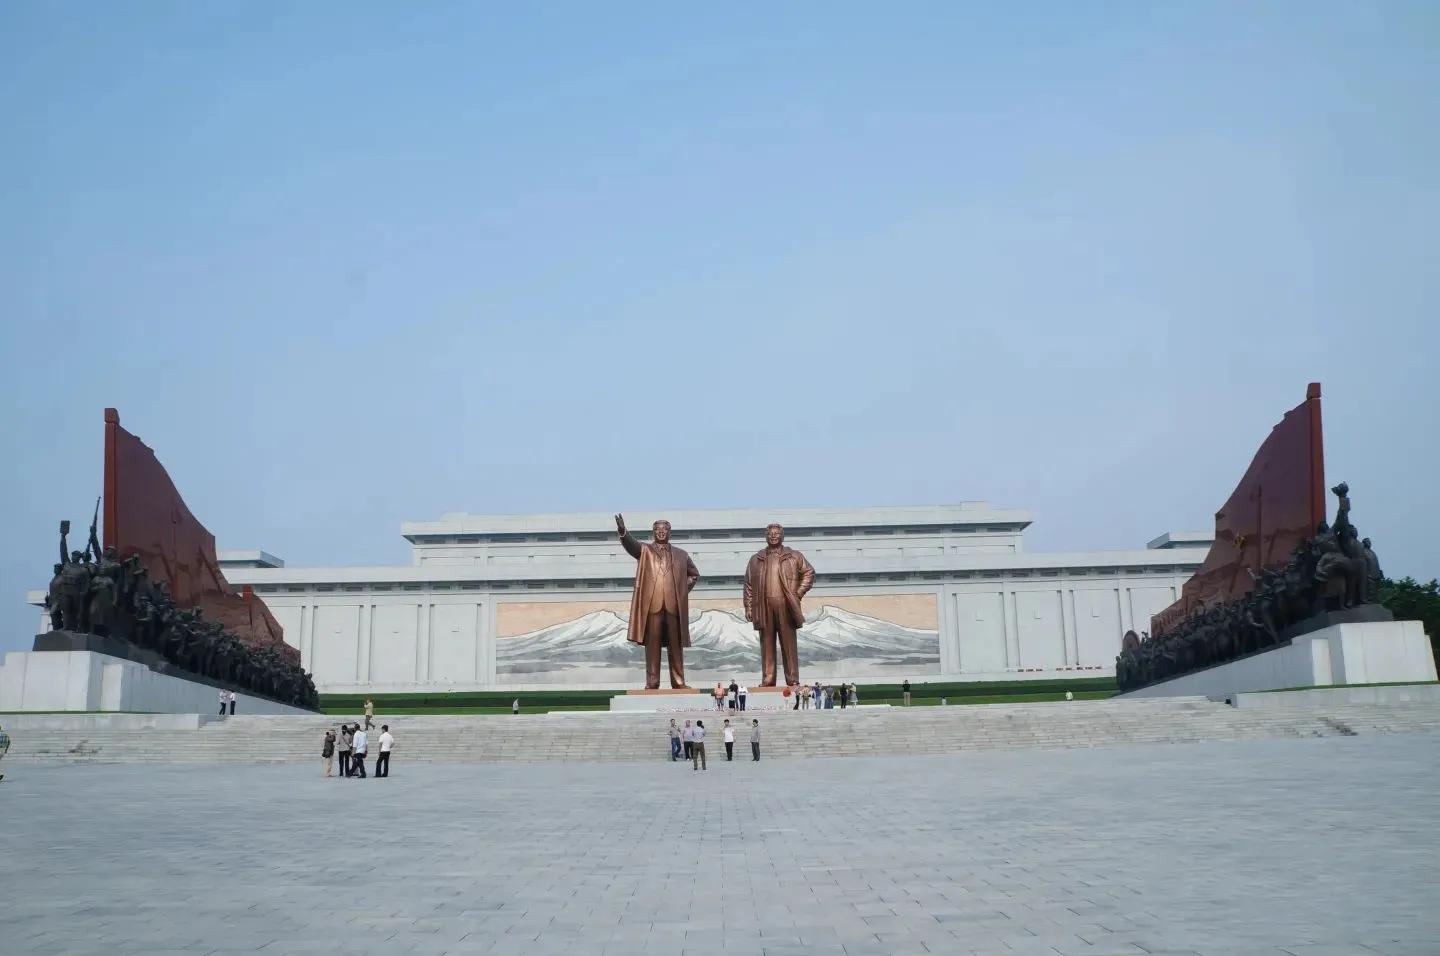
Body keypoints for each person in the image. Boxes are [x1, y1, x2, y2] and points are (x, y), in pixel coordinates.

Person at [614, 514, 701, 688]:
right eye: (657, 530)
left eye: (664, 530)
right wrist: (623, 532)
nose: (661, 533)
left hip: (673, 607)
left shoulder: (681, 555)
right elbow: (631, 546)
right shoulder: (645, 551)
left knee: (675, 647)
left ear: (670, 532)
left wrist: (682, 591)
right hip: (652, 607)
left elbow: (694, 575)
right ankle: (652, 682)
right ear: (653, 532)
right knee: (652, 647)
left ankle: (678, 682)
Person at [743, 523, 815, 687]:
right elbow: (748, 585)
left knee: (789, 644)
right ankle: (768, 679)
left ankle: (792, 679)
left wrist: (798, 593)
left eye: (776, 534)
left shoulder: (794, 556)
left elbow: (809, 572)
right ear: (765, 536)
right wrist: (748, 607)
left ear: (782, 536)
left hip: (786, 605)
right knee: (766, 644)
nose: (773, 536)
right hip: (763, 606)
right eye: (770, 534)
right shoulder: (756, 559)